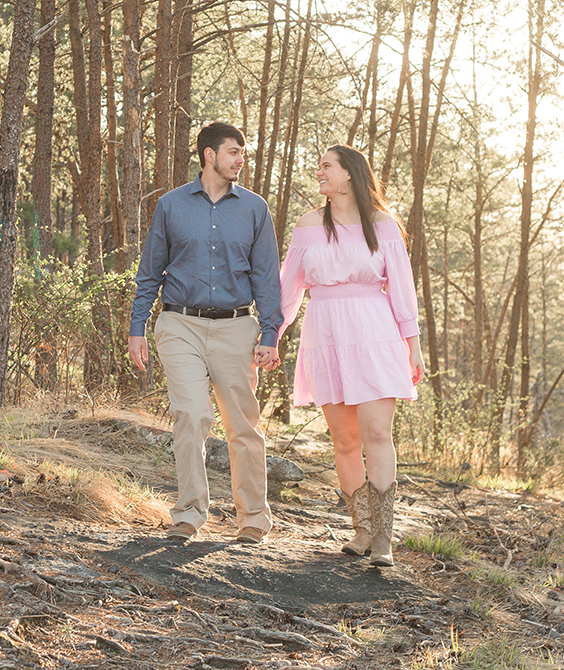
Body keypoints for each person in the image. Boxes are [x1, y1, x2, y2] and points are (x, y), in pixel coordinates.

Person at [129, 122, 282, 545]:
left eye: (243, 152)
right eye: (234, 152)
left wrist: (270, 333)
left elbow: (268, 277)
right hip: (180, 324)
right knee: (191, 414)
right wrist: (136, 327)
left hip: (237, 327)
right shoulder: (171, 205)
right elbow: (150, 271)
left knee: (242, 426)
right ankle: (189, 514)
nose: (241, 159)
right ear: (209, 155)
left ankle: (253, 519)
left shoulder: (255, 209)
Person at [278, 144, 425, 567]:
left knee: (377, 433)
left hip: (374, 331)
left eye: (327, 166)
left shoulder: (382, 224)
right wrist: (272, 334)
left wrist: (412, 344)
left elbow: (401, 287)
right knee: (344, 439)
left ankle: (383, 536)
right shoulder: (308, 225)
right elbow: (289, 287)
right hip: (324, 332)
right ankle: (360, 530)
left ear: (349, 174)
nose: (319, 172)